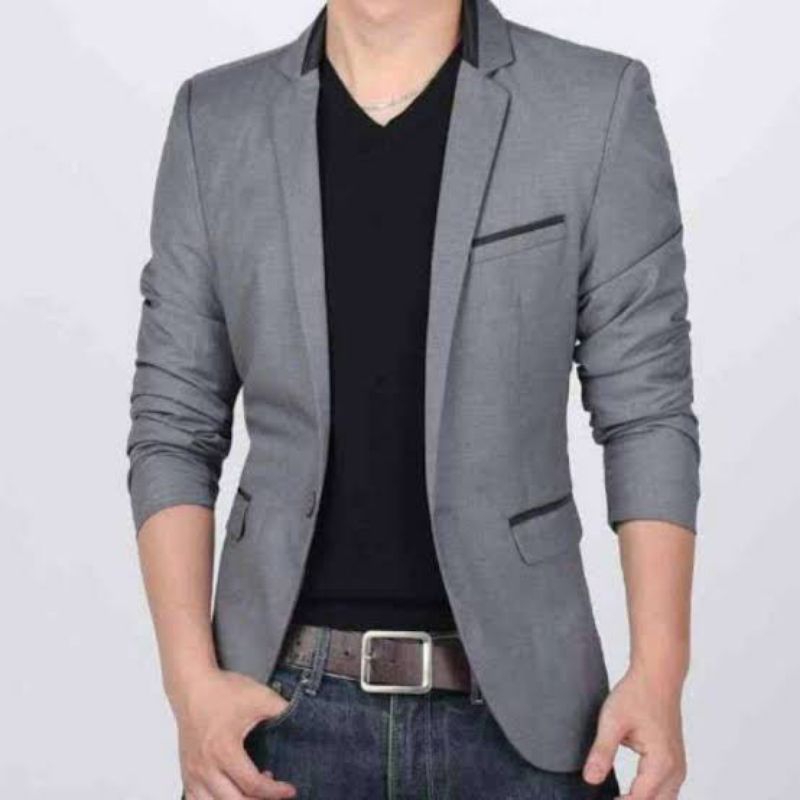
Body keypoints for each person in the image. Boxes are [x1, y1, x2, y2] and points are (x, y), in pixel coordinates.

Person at [126, 1, 700, 797]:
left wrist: (660, 668)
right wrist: (189, 683)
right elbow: (173, 425)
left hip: (526, 726)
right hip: (275, 719)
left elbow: (648, 408)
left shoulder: (594, 106)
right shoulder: (214, 121)